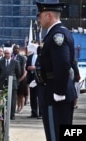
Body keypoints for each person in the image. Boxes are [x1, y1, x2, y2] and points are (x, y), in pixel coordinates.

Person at [36, 2, 77, 141]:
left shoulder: (56, 35)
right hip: (57, 92)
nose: (38, 19)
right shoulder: (58, 33)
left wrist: (59, 92)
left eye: (40, 15)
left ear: (49, 15)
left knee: (55, 136)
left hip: (55, 94)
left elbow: (63, 65)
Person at [0, 48, 20, 120]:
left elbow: (18, 73)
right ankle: (3, 114)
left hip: (12, 84)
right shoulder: (0, 62)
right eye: (6, 53)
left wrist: (15, 80)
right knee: (3, 100)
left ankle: (12, 114)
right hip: (2, 83)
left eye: (8, 53)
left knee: (12, 100)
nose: (7, 55)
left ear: (11, 54)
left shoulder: (15, 62)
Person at [12, 44, 27, 114]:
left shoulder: (22, 58)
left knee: (21, 94)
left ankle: (21, 107)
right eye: (15, 48)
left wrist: (21, 78)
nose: (16, 50)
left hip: (21, 78)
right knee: (16, 94)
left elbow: (24, 69)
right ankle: (17, 107)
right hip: (13, 77)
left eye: (17, 48)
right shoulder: (11, 56)